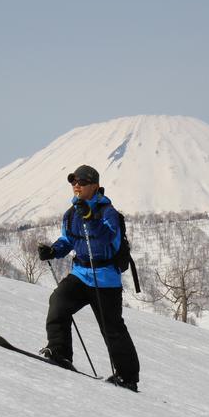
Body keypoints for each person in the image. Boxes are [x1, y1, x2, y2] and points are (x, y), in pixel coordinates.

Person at [37, 164, 140, 391]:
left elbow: (108, 240)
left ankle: (127, 376)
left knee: (112, 329)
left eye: (81, 182)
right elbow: (68, 240)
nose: (76, 185)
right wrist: (53, 250)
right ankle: (59, 352)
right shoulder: (71, 214)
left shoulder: (108, 213)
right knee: (58, 303)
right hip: (81, 274)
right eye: (73, 182)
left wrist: (91, 217)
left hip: (106, 280)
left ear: (94, 185)